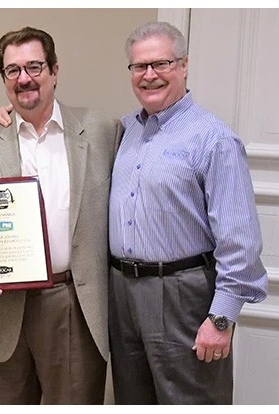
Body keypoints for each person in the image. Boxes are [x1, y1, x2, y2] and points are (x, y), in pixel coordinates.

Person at [107, 21, 268, 404]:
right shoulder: (125, 130)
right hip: (122, 292)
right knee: (133, 401)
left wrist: (222, 319)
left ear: (183, 65)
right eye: (139, 66)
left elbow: (240, 241)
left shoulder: (213, 139)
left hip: (183, 295)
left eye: (160, 63)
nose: (149, 75)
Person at [0, 27, 122, 404]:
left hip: (72, 303)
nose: (25, 79)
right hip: (2, 307)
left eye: (34, 67)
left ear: (54, 70)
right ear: (3, 79)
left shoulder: (102, 130)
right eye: (12, 71)